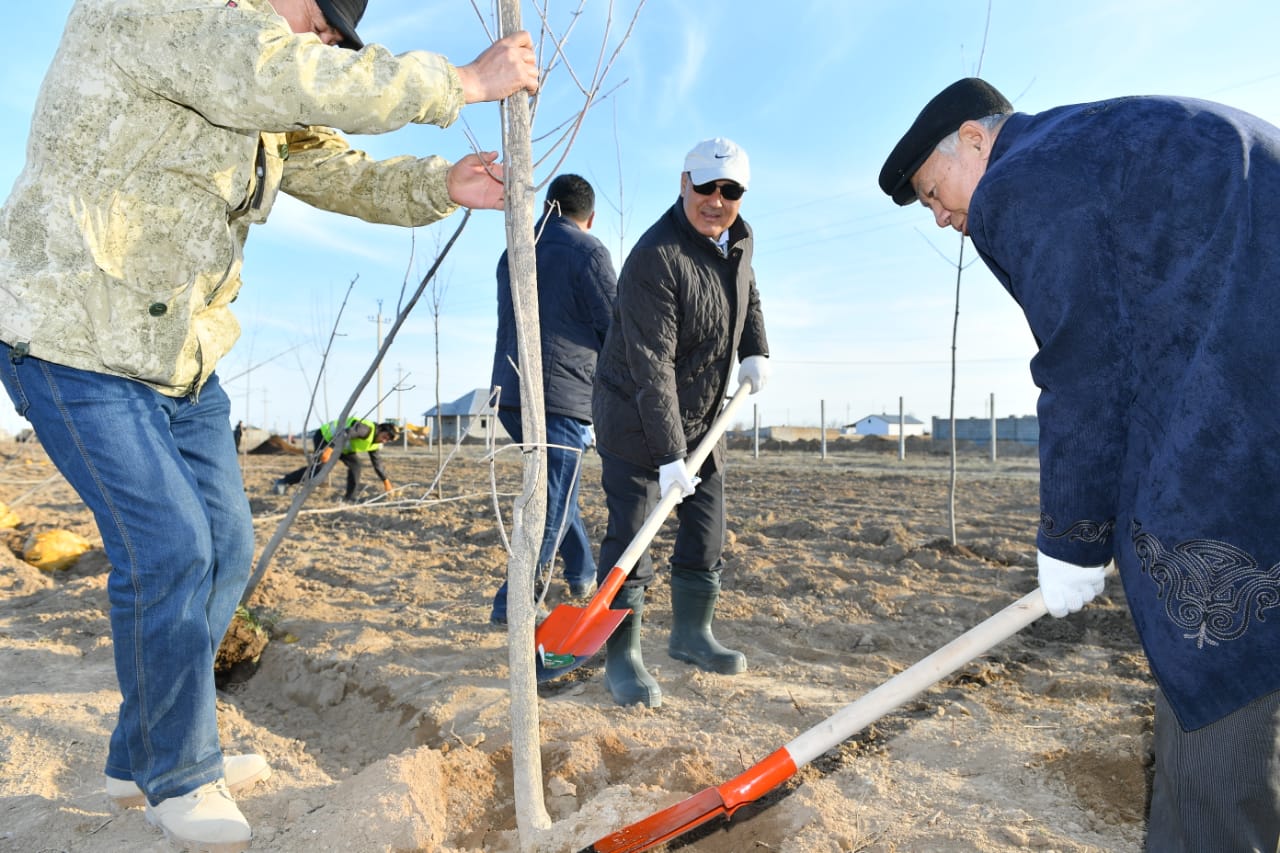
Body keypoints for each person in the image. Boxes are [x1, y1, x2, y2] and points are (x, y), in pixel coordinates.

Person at [0, 0, 538, 849]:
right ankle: (181, 772)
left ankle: (142, 755)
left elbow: (335, 166)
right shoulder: (165, 15)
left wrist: (440, 184)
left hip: (182, 354)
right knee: (170, 549)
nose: (326, 39)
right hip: (74, 341)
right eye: (323, 19)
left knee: (226, 545)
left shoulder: (264, 74)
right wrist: (462, 82)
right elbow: (273, 69)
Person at [879, 78, 1280, 852]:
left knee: (1209, 658)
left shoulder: (1024, 178)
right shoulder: (1104, 143)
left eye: (934, 192)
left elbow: (1085, 361)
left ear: (973, 139)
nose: (940, 216)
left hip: (1248, 407)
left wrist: (1073, 533)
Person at [591, 138, 770, 708]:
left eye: (731, 191)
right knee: (633, 534)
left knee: (706, 526)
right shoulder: (656, 258)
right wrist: (669, 455)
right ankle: (622, 656)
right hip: (634, 415)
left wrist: (755, 349)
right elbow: (651, 366)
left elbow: (749, 295)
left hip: (699, 413)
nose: (717, 201)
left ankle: (692, 635)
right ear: (684, 183)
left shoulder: (738, 240)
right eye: (706, 188)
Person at [488, 174, 617, 624]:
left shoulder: (516, 250)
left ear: (549, 205)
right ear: (590, 217)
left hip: (510, 391)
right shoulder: (588, 251)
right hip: (558, 396)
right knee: (552, 499)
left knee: (559, 491)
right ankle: (515, 600)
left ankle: (581, 571)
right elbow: (613, 326)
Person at [274, 417, 399, 501]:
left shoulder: (375, 443)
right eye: (385, 436)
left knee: (356, 466)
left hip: (343, 448)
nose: (384, 440)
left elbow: (377, 463)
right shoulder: (366, 429)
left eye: (387, 440)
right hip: (326, 438)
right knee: (319, 469)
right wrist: (328, 450)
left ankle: (350, 497)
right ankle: (284, 482)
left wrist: (386, 481)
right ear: (380, 430)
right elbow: (345, 433)